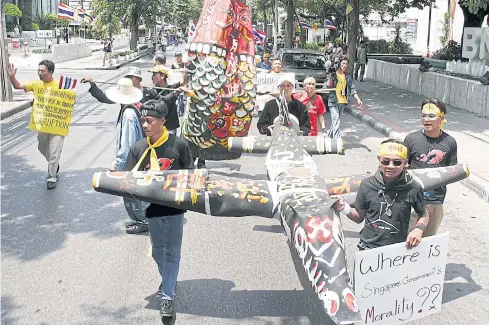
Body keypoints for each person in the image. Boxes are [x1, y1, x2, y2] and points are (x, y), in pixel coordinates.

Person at [124, 100, 193, 325]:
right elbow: (128, 178)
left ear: (163, 122)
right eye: (142, 120)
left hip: (173, 210)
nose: (144, 124)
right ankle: (169, 280)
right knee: (157, 252)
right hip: (151, 210)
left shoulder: (179, 146)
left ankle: (167, 298)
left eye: (149, 121)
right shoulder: (138, 148)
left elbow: (191, 175)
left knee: (171, 252)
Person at [81, 70, 149, 234]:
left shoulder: (128, 114)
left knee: (130, 191)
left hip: (131, 161)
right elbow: (104, 97)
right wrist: (93, 85)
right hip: (138, 157)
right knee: (134, 190)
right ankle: (140, 219)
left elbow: (127, 144)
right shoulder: (131, 107)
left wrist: (117, 164)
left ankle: (142, 221)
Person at [335, 139, 429, 250]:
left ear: (405, 163)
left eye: (397, 162)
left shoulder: (412, 187)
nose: (390, 166)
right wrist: (344, 208)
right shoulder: (367, 184)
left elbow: (424, 215)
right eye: (385, 161)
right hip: (368, 248)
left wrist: (418, 229)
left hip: (397, 250)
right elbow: (359, 217)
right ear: (379, 160)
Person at [403, 99, 457, 237]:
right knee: (407, 240)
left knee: (428, 241)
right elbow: (402, 168)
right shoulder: (411, 139)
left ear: (442, 118)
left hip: (435, 201)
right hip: (412, 198)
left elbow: (451, 171)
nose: (426, 119)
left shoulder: (450, 142)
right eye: (423, 115)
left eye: (431, 116)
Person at [7, 60, 63, 190]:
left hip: (57, 126)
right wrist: (12, 76)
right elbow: (18, 86)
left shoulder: (60, 85)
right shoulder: (37, 84)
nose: (39, 73)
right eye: (38, 70)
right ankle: (54, 164)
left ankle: (51, 177)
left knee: (54, 152)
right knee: (42, 147)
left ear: (50, 72)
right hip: (42, 125)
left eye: (42, 71)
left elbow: (69, 101)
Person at [325, 56, 363, 139]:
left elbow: (352, 88)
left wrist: (358, 99)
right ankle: (337, 142)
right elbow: (327, 86)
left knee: (336, 122)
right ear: (339, 64)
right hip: (333, 102)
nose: (345, 65)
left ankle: (328, 138)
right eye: (343, 63)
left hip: (342, 101)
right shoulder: (333, 75)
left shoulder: (347, 76)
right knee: (336, 121)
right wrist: (329, 76)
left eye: (346, 64)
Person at [147, 65, 184, 135]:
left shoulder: (172, 88)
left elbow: (184, 83)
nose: (152, 77)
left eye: (154, 74)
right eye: (152, 74)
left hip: (169, 127)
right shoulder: (153, 91)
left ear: (162, 76)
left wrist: (187, 70)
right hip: (157, 127)